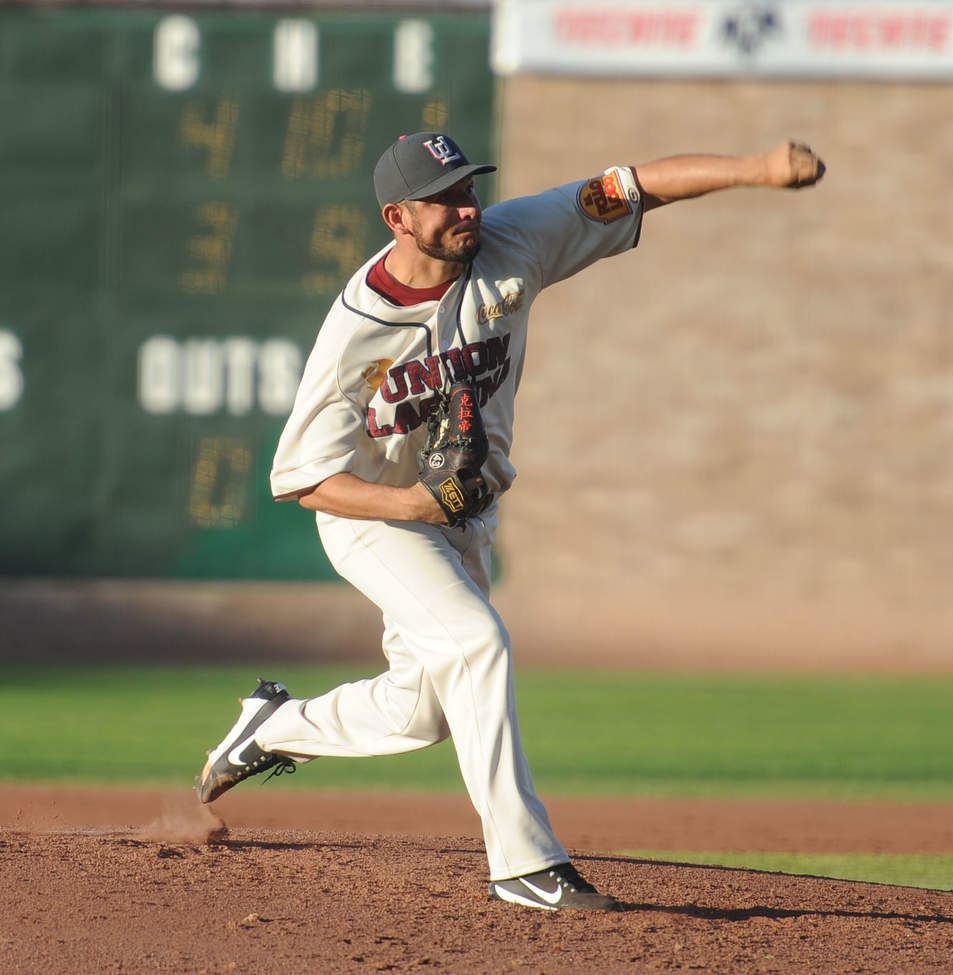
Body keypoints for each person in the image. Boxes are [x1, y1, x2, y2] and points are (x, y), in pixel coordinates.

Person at [196, 131, 825, 912]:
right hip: (374, 517)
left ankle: (274, 727)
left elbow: (633, 186)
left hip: (463, 519)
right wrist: (411, 504)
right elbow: (302, 480)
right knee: (476, 643)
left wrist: (758, 170)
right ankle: (524, 862)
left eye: (468, 188)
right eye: (444, 198)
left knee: (421, 710)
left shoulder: (512, 240)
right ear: (397, 217)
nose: (467, 207)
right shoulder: (356, 332)